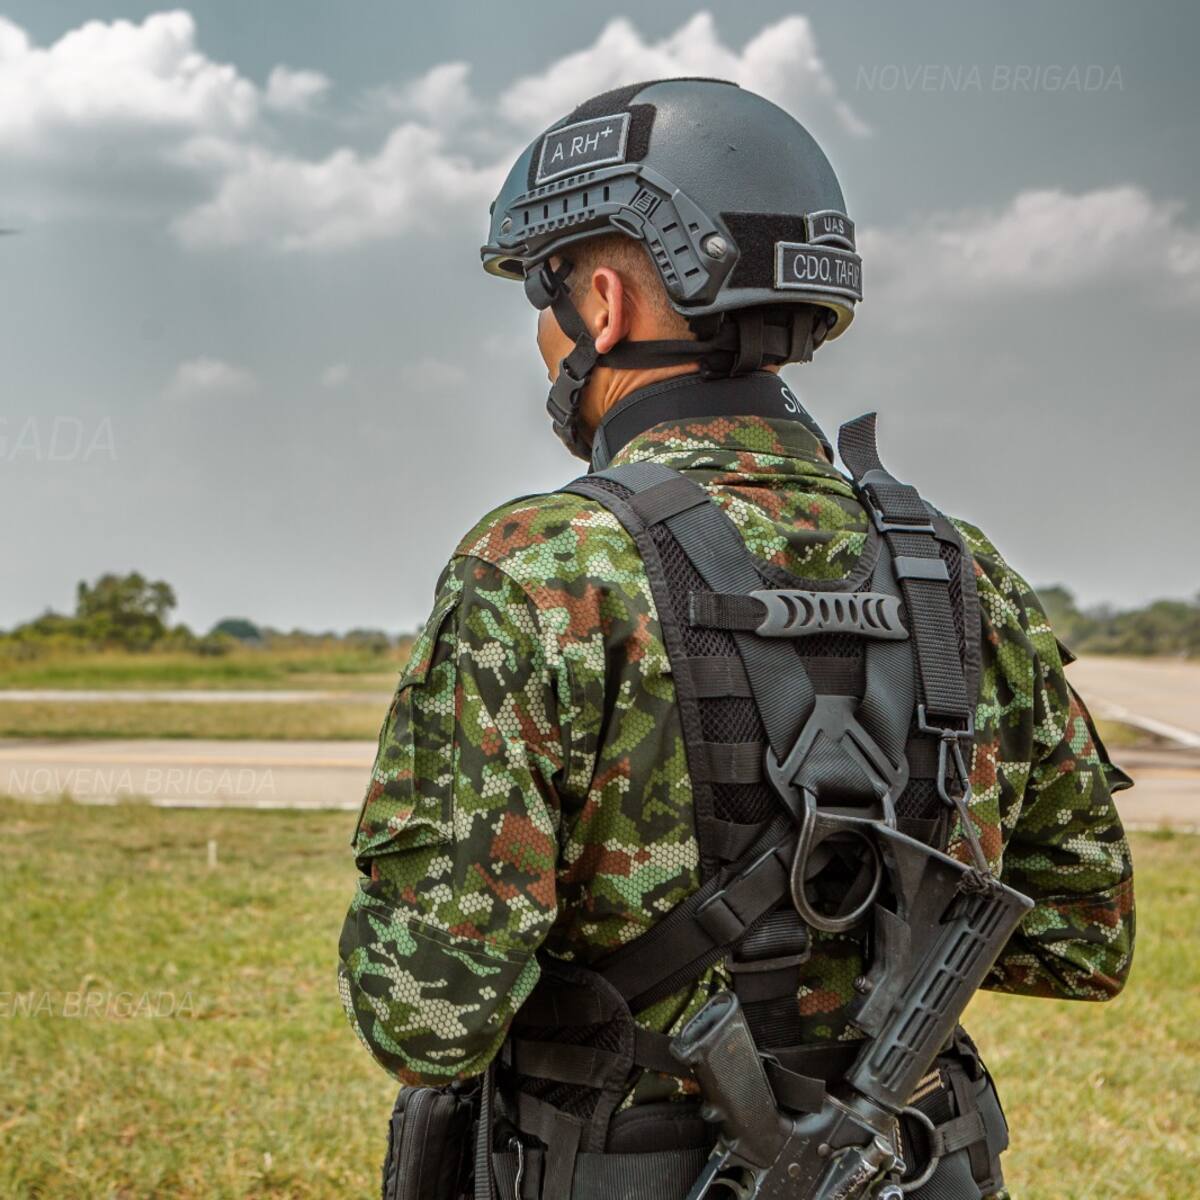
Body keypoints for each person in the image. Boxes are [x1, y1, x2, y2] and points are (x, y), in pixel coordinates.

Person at [339, 79, 1134, 1200]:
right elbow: (1079, 937)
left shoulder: (541, 565)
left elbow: (429, 1013)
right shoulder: (959, 569)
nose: (540, 330)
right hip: (913, 1167)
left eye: (542, 290)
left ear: (602, 304)